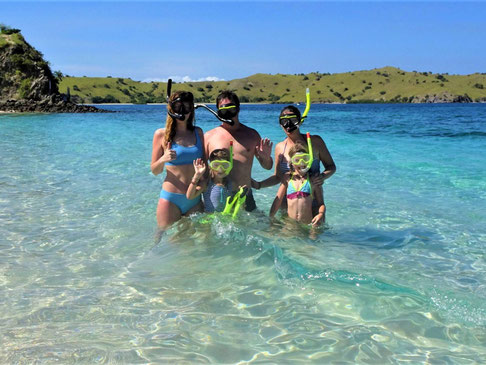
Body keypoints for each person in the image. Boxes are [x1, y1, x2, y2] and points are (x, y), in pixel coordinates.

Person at [252, 105, 336, 214]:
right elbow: (278, 177)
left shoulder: (315, 142)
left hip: (313, 205)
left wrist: (322, 177)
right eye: (284, 121)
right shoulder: (280, 147)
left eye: (293, 120)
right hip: (286, 206)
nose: (288, 124)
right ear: (280, 124)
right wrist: (259, 185)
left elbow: (331, 167)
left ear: (300, 121)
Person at [204, 90, 273, 211]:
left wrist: (266, 158)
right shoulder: (209, 136)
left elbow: (267, 167)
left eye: (231, 109)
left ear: (238, 109)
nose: (228, 113)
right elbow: (201, 170)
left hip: (245, 196)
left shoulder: (251, 135)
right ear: (218, 112)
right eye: (223, 110)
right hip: (218, 196)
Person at [151, 90, 204, 229]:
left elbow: (205, 166)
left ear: (191, 110)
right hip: (171, 198)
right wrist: (163, 159)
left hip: (194, 197)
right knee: (162, 240)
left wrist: (203, 186)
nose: (183, 112)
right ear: (171, 109)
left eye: (186, 107)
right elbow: (155, 171)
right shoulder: (161, 134)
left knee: (193, 243)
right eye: (178, 107)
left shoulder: (198, 132)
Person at [270, 143, 325, 226]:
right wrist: (270, 217)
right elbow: (278, 200)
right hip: (290, 224)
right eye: (297, 160)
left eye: (305, 158)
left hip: (307, 224)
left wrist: (320, 214)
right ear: (291, 162)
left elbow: (321, 203)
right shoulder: (287, 179)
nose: (301, 162)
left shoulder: (313, 181)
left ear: (309, 160)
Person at [186, 148, 235, 213]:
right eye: (216, 165)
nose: (220, 169)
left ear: (229, 166)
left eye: (224, 165)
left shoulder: (231, 184)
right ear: (210, 166)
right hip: (210, 220)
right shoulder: (206, 184)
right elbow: (190, 196)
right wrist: (197, 175)